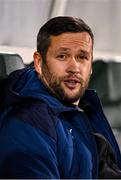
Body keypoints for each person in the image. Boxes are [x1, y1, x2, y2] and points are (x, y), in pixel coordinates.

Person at [0, 16, 121, 179]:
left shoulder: (83, 110)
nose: (74, 68)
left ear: (91, 65)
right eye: (62, 56)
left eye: (82, 57)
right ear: (38, 62)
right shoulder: (28, 123)